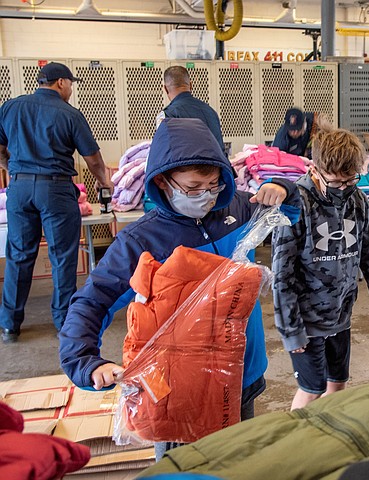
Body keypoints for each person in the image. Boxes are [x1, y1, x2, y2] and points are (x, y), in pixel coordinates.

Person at [59, 118, 299, 459]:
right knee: (183, 467)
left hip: (242, 374)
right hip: (180, 390)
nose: (205, 196)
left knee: (238, 462)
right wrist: (85, 361)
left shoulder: (234, 210)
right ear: (162, 180)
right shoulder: (141, 241)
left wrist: (284, 189)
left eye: (214, 185)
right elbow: (92, 302)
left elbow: (292, 210)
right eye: (193, 187)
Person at [272, 127, 369, 410]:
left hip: (341, 314)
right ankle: (295, 445)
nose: (344, 189)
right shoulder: (297, 205)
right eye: (336, 182)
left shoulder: (358, 200)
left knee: (337, 385)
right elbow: (282, 275)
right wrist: (291, 330)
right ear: (315, 169)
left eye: (350, 180)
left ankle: (326, 440)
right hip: (307, 320)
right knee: (311, 390)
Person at [0, 62, 112, 344]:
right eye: (71, 84)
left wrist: (13, 169)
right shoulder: (70, 114)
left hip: (20, 187)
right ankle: (63, 322)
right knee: (62, 257)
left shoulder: (11, 107)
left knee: (19, 256)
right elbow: (93, 158)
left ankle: (9, 325)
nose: (71, 89)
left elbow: (0, 149)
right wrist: (105, 182)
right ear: (61, 82)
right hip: (55, 189)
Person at [157, 66, 227, 157]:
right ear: (191, 85)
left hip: (187, 170)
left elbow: (162, 154)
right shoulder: (211, 111)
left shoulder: (168, 115)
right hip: (217, 169)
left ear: (165, 89)